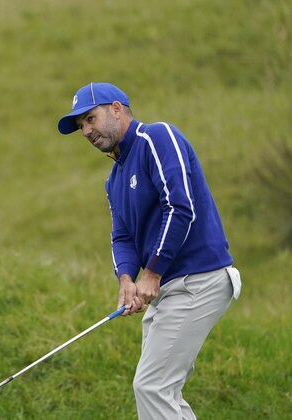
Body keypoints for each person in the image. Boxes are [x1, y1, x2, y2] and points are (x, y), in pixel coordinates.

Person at [57, 82, 242, 419]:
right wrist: (126, 279)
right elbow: (121, 237)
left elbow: (179, 206)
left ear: (116, 109)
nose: (85, 131)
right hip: (171, 290)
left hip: (198, 280)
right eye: (81, 126)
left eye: (89, 118)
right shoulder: (114, 180)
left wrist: (153, 272)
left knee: (152, 387)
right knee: (163, 392)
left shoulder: (157, 138)